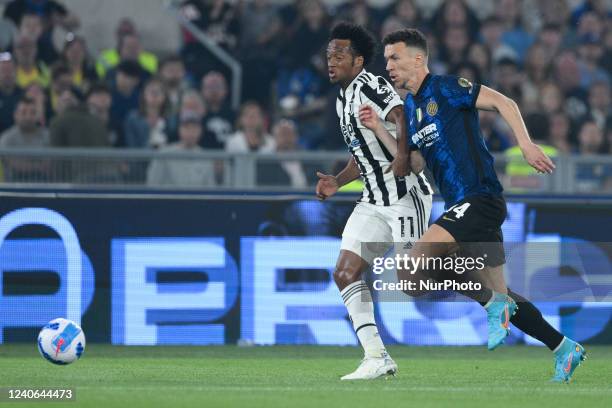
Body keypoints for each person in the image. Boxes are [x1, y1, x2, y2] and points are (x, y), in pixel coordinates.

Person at [376, 28, 585, 383]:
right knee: (502, 295)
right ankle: (564, 348)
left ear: (418, 58)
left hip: (480, 198)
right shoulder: (410, 109)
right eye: (386, 60)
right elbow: (411, 164)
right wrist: (380, 130)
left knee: (412, 270)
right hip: (465, 207)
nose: (389, 66)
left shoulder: (446, 88)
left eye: (394, 58)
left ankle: (491, 303)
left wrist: (527, 145)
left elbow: (505, 102)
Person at [316, 22, 432, 380]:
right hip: (372, 200)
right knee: (344, 272)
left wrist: (401, 157)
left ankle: (485, 287)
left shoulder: (372, 84)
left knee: (415, 282)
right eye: (328, 55)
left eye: (339, 55)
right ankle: (376, 357)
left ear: (358, 60)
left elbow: (399, 114)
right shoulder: (342, 98)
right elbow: (362, 154)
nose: (331, 60)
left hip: (403, 196)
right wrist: (338, 180)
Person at [146, 112, 216, 188]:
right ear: (179, 129)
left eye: (194, 128)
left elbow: (210, 190)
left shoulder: (205, 158)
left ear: (200, 131)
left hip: (196, 199)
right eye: (186, 127)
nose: (191, 132)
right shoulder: (164, 154)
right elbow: (152, 184)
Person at [0, 95, 49, 181]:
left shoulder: (48, 135)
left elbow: (52, 163)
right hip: (13, 190)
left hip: (44, 188)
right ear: (15, 115)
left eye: (33, 113)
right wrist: (38, 166)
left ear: (38, 115)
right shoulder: (6, 138)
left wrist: (25, 164)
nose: (28, 117)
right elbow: (12, 163)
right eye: (23, 112)